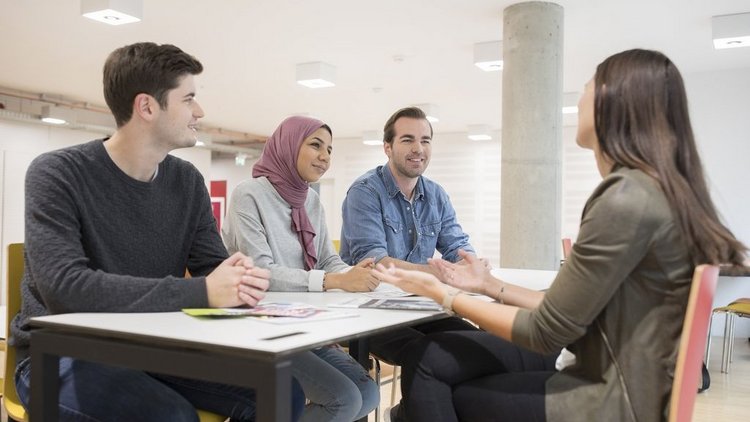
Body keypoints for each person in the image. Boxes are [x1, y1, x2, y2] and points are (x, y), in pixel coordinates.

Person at [372, 49, 748, 422]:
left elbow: (547, 331)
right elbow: (564, 309)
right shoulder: (650, 190)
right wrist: (487, 285)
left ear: (613, 103)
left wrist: (444, 294)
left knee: (431, 370)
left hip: (606, 396)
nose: (580, 98)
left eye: (587, 88)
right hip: (622, 378)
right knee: (435, 359)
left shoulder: (625, 198)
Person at [9, 42, 305, 421]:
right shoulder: (57, 173)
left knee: (282, 392)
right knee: (171, 416)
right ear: (147, 107)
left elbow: (212, 268)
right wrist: (203, 291)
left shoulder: (186, 180)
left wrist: (241, 278)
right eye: (189, 99)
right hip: (59, 355)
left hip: (155, 346)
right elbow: (65, 290)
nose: (200, 112)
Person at [222, 115, 380, 421]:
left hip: (304, 326)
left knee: (369, 392)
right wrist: (335, 280)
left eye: (330, 150)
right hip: (262, 329)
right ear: (289, 145)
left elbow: (326, 260)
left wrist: (354, 274)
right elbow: (262, 273)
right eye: (316, 145)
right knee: (343, 400)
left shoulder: (311, 200)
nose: (325, 156)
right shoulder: (249, 194)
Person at [339, 106, 479, 367]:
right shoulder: (365, 192)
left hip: (418, 307)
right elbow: (376, 263)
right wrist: (440, 273)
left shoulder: (436, 194)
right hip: (369, 310)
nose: (418, 148)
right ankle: (407, 410)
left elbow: (457, 245)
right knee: (429, 356)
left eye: (425, 140)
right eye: (407, 140)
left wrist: (471, 264)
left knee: (477, 343)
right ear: (387, 148)